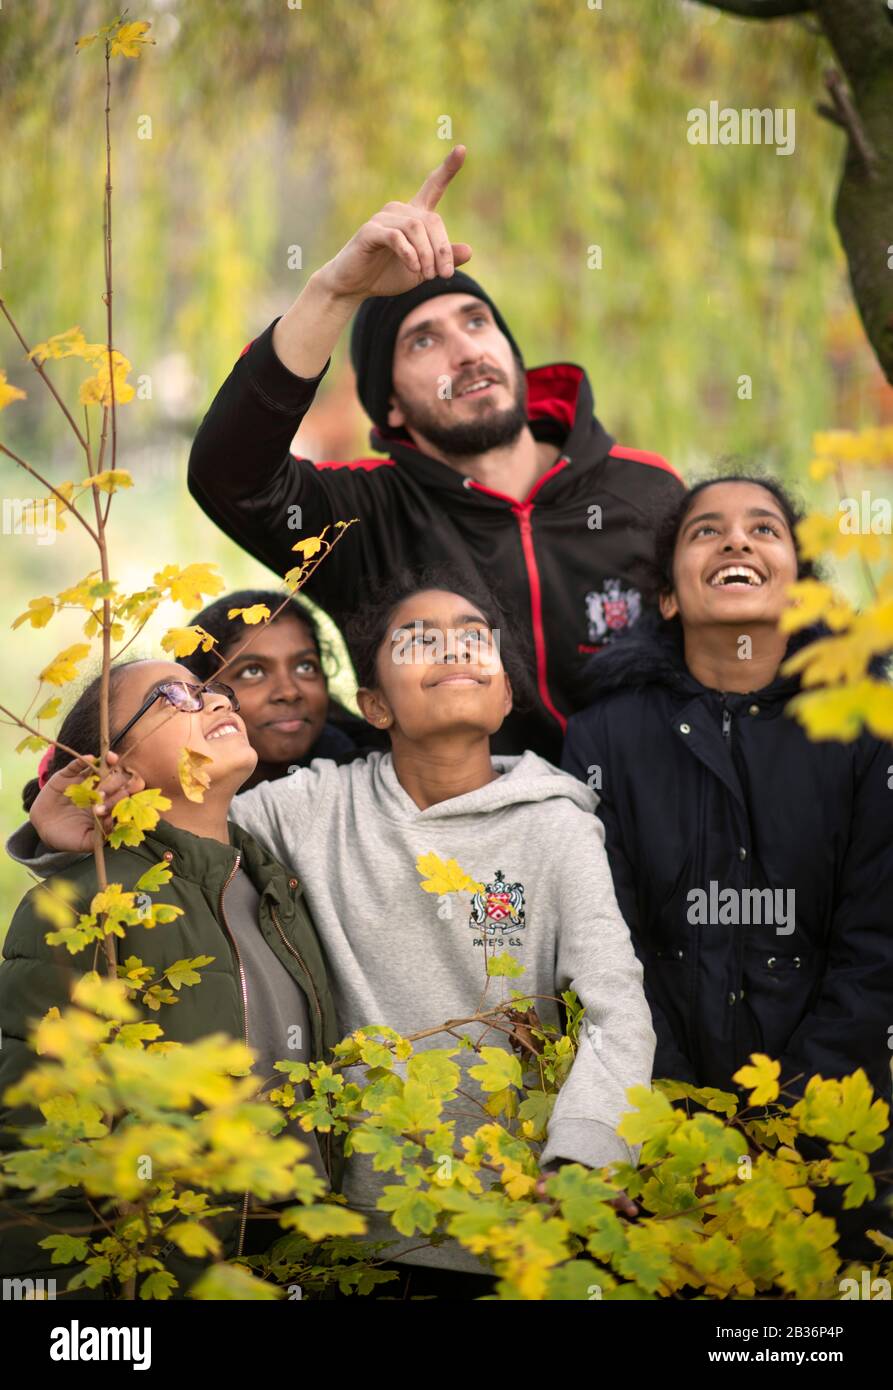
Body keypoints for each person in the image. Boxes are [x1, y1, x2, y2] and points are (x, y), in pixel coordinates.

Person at [24, 568, 656, 1297]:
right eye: (418, 640)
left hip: (518, 1224)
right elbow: (171, 824)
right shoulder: (307, 809)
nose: (451, 651)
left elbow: (617, 1006)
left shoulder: (558, 825)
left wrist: (584, 1153)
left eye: (472, 639)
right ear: (374, 704)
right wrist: (58, 831)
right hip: (348, 1233)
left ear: (506, 694)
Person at [187, 145, 684, 763]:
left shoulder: (647, 489)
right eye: (425, 341)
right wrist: (334, 293)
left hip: (657, 843)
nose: (467, 353)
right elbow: (229, 475)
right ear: (389, 404)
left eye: (477, 322)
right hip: (463, 848)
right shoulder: (362, 518)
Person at [560, 474, 893, 1258]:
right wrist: (686, 1118)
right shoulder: (603, 738)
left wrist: (791, 1123)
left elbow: (877, 948)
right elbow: (610, 948)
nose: (736, 540)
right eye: (705, 531)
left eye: (763, 529)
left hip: (841, 1126)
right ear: (668, 598)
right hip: (659, 1125)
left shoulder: (865, 725)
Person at [0, 662, 341, 1298]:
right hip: (156, 1278)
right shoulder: (86, 904)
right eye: (174, 695)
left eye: (214, 691)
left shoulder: (280, 892)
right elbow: (37, 1152)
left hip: (297, 1270)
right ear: (117, 769)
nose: (212, 699)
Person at [181, 587, 381, 786]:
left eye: (305, 667)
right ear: (198, 694)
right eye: (253, 671)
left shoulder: (367, 773)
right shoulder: (166, 791)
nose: (289, 692)